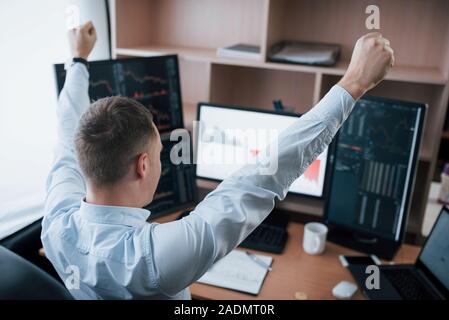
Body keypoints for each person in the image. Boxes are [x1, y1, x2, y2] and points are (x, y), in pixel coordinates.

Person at [41, 21, 394, 299]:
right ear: (143, 166)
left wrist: (79, 59)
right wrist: (354, 83)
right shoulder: (154, 258)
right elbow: (261, 177)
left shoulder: (55, 221)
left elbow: (66, 129)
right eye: (160, 154)